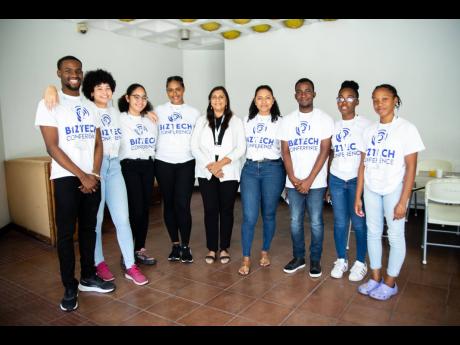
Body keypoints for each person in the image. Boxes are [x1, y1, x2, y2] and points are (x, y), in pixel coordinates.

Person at [43, 71, 150, 286]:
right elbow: (64, 97)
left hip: (115, 168)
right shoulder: (85, 109)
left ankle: (130, 265)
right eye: (99, 88)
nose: (105, 92)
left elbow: (137, 111)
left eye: (108, 88)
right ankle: (99, 263)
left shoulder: (117, 113)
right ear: (91, 91)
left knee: (122, 219)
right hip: (95, 170)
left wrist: (151, 112)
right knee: (96, 222)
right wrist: (50, 88)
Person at [35, 56, 115, 312]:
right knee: (67, 234)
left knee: (90, 229)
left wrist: (94, 174)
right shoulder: (49, 103)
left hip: (92, 176)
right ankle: (70, 286)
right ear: (59, 73)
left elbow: (98, 143)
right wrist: (82, 175)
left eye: (78, 70)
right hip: (66, 177)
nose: (74, 74)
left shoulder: (90, 105)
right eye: (68, 70)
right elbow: (52, 146)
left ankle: (88, 277)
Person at [354, 84, 424, 300]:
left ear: (395, 100)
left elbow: (411, 167)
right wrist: (358, 195)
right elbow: (363, 164)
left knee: (395, 236)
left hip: (394, 189)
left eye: (384, 99)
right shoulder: (369, 131)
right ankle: (375, 278)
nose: (379, 104)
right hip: (371, 188)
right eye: (375, 99)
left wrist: (404, 200)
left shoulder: (407, 129)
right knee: (373, 233)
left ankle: (390, 282)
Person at [277, 78, 334, 278]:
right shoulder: (287, 121)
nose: (303, 95)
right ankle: (299, 258)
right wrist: (292, 177)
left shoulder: (325, 119)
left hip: (316, 183)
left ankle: (315, 260)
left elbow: (325, 151)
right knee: (294, 221)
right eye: (299, 92)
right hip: (294, 182)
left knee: (317, 222)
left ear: (314, 94)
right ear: (295, 96)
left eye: (307, 91)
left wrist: (309, 180)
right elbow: (285, 151)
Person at [191, 86, 245, 265]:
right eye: (214, 97)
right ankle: (212, 248)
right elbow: (194, 146)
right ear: (210, 100)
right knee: (210, 211)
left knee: (227, 211)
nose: (217, 100)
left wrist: (220, 164)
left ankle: (224, 248)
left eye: (221, 97)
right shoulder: (201, 121)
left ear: (226, 100)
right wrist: (211, 167)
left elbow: (240, 148)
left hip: (228, 172)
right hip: (207, 172)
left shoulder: (236, 121)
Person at [238, 85, 286, 276]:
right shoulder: (245, 121)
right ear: (254, 100)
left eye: (267, 98)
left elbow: (287, 151)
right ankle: (246, 258)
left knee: (268, 213)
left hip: (273, 169)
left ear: (273, 100)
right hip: (250, 169)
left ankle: (264, 251)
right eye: (260, 98)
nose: (264, 102)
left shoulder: (281, 122)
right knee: (249, 216)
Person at [327, 81, 372, 281]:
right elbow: (331, 154)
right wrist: (329, 182)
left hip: (356, 180)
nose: (344, 102)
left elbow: (366, 158)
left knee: (359, 223)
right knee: (339, 223)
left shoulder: (366, 125)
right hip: (337, 179)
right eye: (340, 98)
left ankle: (361, 262)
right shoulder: (334, 126)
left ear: (357, 101)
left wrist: (362, 187)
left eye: (349, 98)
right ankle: (341, 259)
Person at [154, 76, 200, 263]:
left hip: (186, 163)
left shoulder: (194, 113)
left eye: (177, 89)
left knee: (183, 205)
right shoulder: (157, 111)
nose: (174, 93)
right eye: (170, 90)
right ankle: (175, 244)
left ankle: (185, 246)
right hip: (163, 162)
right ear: (167, 91)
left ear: (183, 89)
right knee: (169, 205)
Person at [118, 84, 158, 268]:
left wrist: (148, 112)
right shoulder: (119, 119)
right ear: (127, 98)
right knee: (135, 210)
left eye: (144, 97)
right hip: (129, 166)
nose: (140, 101)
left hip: (147, 165)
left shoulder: (151, 120)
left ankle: (139, 249)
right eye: (136, 97)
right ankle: (127, 252)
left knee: (144, 210)